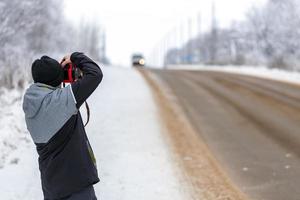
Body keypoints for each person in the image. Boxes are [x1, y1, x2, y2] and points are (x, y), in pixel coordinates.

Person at [22, 52, 103, 200]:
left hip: (51, 189)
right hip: (76, 188)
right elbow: (95, 74)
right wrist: (74, 57)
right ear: (58, 78)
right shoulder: (62, 100)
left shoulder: (30, 105)